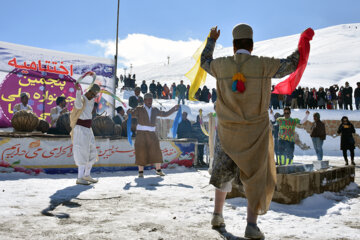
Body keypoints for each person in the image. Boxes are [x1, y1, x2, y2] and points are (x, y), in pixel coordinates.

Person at [201, 23, 304, 239]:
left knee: (222, 174)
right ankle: (251, 225)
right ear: (252, 45)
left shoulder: (221, 65)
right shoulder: (263, 64)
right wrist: (302, 44)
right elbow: (292, 65)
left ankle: (217, 215)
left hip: (227, 131)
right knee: (256, 178)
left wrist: (211, 39)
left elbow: (204, 62)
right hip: (255, 134)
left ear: (233, 46)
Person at [128, 93, 179, 178]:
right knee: (140, 151)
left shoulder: (155, 110)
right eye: (148, 99)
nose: (150, 101)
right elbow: (132, 114)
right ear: (144, 100)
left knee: (156, 151)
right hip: (141, 134)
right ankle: (140, 172)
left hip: (152, 134)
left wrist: (174, 109)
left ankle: (158, 170)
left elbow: (165, 114)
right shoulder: (139, 109)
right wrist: (129, 112)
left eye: (151, 100)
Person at [70, 83, 100, 185]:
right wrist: (78, 91)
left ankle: (87, 175)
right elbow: (78, 105)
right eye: (92, 94)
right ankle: (79, 178)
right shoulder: (82, 99)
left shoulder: (91, 100)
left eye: (94, 95)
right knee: (81, 152)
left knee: (92, 152)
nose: (93, 97)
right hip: (80, 129)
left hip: (88, 129)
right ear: (89, 91)